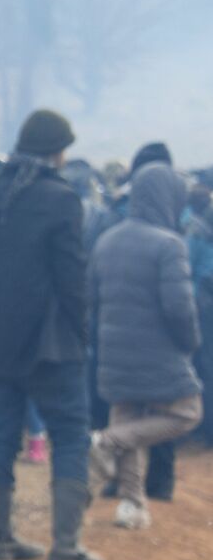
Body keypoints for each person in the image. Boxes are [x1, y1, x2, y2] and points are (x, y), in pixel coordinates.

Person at [0, 109, 99, 560]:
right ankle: (65, 546)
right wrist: (81, 336)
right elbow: (72, 280)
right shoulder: (61, 200)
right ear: (58, 151)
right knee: (71, 434)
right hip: (50, 345)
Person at [88, 163, 203, 530]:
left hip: (113, 353)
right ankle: (104, 443)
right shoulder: (169, 245)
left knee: (130, 418)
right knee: (187, 412)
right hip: (158, 354)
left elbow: (91, 300)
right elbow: (179, 308)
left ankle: (132, 504)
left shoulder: (107, 240)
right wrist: (191, 344)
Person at [86, 142, 180, 502]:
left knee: (123, 407)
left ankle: (122, 483)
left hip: (116, 326)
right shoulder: (175, 219)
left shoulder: (115, 212)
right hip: (159, 330)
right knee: (165, 406)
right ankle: (158, 481)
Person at [184, 186, 213, 445]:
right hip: (205, 302)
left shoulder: (197, 233)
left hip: (203, 306)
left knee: (205, 364)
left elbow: (193, 272)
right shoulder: (200, 233)